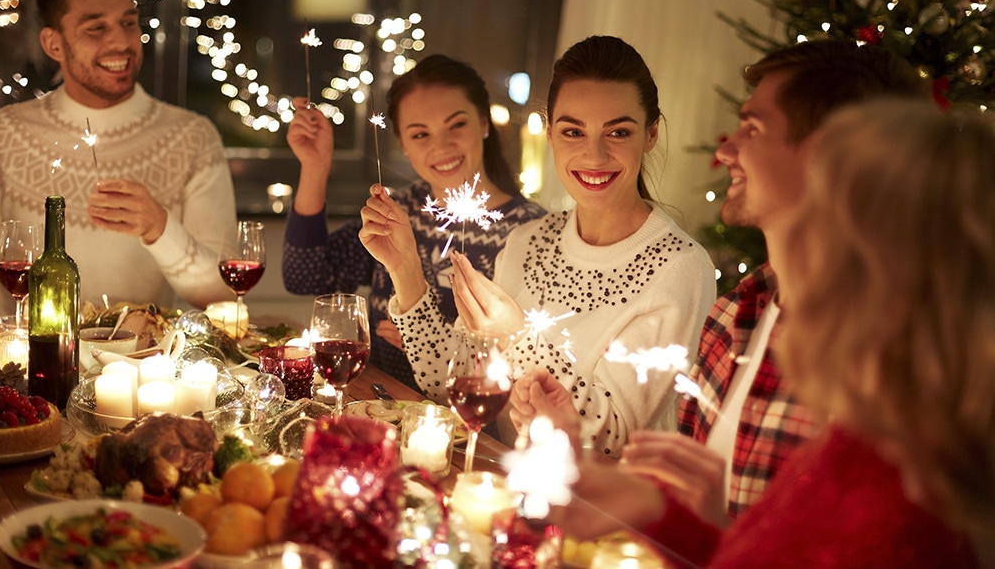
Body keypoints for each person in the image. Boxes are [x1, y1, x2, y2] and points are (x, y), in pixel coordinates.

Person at [551, 103, 990, 568]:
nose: (790, 251)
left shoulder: (893, 496)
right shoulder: (866, 436)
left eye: (816, 219)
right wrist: (657, 512)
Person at [510, 39, 930, 524]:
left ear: (832, 154)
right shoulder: (736, 317)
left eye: (752, 128)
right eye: (573, 130)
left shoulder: (896, 358)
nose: (726, 149)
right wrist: (574, 446)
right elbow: (703, 528)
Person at [360, 35, 716, 456]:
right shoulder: (531, 238)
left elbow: (612, 440)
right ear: (550, 133)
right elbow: (452, 379)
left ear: (651, 133)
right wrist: (406, 272)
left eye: (618, 131)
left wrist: (516, 337)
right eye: (573, 131)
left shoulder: (678, 266)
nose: (594, 155)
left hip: (597, 509)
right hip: (508, 485)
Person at [0, 0, 235, 316]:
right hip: (23, 365)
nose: (122, 42)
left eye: (129, 23)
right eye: (96, 28)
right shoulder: (1, 135)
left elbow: (222, 292)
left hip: (142, 364)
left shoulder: (192, 137)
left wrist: (160, 228)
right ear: (53, 44)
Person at [281, 53, 545, 392]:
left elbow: (529, 364)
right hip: (378, 407)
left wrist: (429, 343)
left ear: (483, 124)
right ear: (403, 144)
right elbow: (305, 275)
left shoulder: (531, 233)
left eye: (457, 125)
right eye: (420, 134)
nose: (442, 145)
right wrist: (315, 167)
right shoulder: (398, 210)